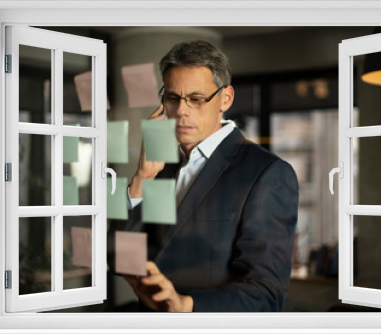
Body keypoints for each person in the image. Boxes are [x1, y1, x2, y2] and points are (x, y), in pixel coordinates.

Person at [108, 40, 299, 312]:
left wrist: (186, 306)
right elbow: (120, 261)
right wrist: (141, 178)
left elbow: (266, 295)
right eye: (173, 98)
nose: (182, 111)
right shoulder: (161, 169)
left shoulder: (267, 174)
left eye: (196, 99)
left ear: (225, 99)